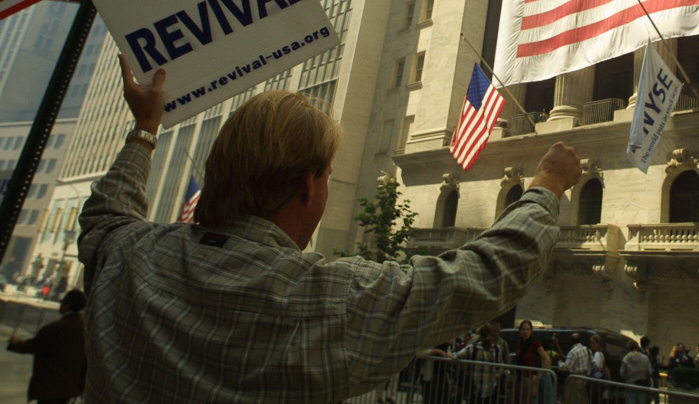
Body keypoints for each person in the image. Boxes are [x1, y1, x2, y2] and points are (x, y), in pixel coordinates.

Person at [77, 57, 583, 403]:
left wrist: (145, 131)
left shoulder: (129, 255)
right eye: (328, 174)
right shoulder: (332, 300)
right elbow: (487, 272)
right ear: (307, 187)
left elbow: (106, 211)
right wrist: (546, 187)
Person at [7, 289, 87, 404]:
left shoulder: (55, 328)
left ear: (68, 304)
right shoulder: (85, 327)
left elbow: (35, 346)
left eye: (62, 301)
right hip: (71, 387)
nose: (60, 304)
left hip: (51, 386)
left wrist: (15, 343)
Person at [455, 325, 504, 404]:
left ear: (480, 335)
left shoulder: (473, 348)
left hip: (475, 388)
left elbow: (456, 356)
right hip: (491, 388)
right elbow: (500, 367)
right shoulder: (496, 348)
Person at [515, 320, 551, 404]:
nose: (525, 332)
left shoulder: (535, 344)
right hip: (519, 377)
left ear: (531, 331)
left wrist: (538, 376)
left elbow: (547, 359)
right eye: (523, 329)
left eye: (528, 329)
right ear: (520, 331)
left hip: (529, 379)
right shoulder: (520, 343)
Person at [560, 333, 592, 404]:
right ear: (580, 340)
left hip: (575, 379)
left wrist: (560, 363)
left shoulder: (573, 352)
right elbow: (591, 363)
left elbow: (567, 367)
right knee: (583, 400)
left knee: (572, 399)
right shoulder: (587, 349)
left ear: (571, 341)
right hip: (586, 378)